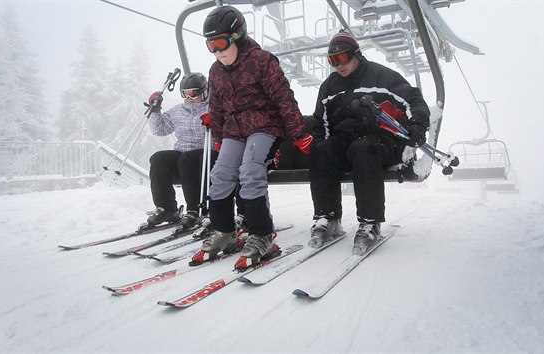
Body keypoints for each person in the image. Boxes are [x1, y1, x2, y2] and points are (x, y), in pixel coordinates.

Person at [198, 5, 312, 269]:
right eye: (210, 46)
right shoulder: (215, 71)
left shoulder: (262, 61)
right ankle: (225, 231)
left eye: (220, 43)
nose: (217, 52)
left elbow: (284, 98)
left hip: (265, 127)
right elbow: (215, 108)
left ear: (237, 35)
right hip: (234, 132)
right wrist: (218, 136)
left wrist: (299, 133)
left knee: (249, 171)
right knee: (221, 174)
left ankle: (260, 234)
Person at [308, 30, 430, 255]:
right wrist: (321, 146)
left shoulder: (381, 77)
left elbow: (413, 99)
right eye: (333, 61)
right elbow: (320, 123)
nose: (339, 65)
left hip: (381, 141)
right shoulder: (329, 87)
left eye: (343, 58)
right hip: (345, 143)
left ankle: (369, 222)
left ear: (356, 54)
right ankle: (328, 217)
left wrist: (418, 125)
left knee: (364, 148)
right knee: (322, 150)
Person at [140, 72, 215, 233]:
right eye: (185, 94)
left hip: (208, 156)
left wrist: (216, 120)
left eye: (193, 93)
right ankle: (167, 208)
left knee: (187, 159)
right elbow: (160, 129)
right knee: (159, 158)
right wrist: (155, 111)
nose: (189, 98)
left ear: (205, 91)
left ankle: (195, 209)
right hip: (184, 158)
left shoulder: (215, 108)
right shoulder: (178, 111)